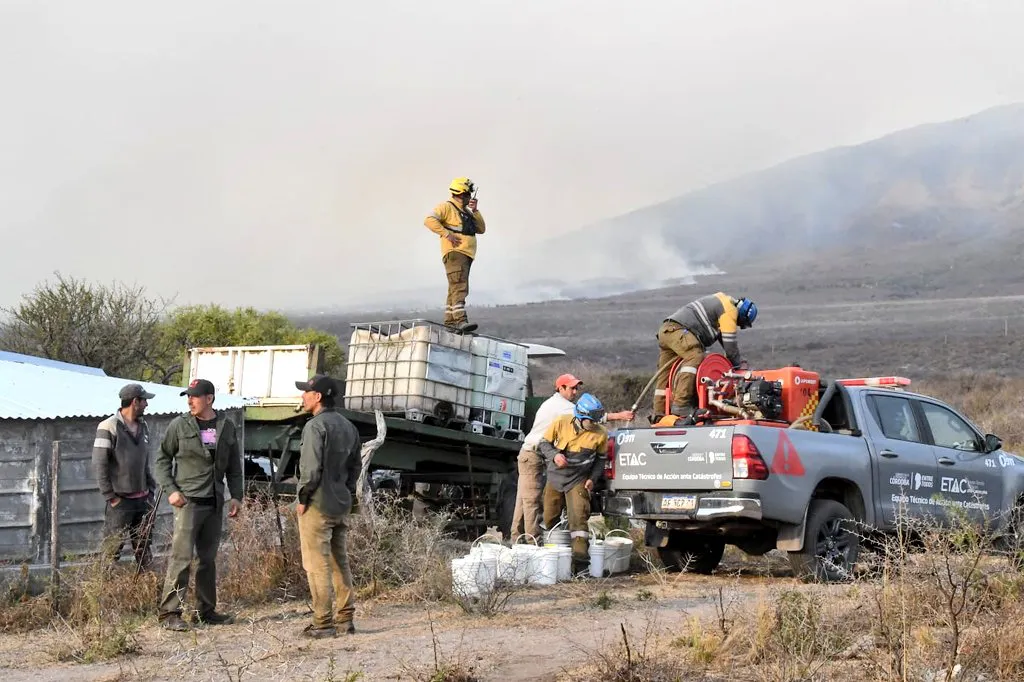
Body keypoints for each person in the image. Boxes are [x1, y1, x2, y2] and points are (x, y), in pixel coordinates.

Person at [154, 378, 243, 631]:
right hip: (188, 501)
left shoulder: (226, 426)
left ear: (210, 399)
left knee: (208, 559)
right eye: (188, 397)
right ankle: (169, 613)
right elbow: (161, 460)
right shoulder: (178, 426)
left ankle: (205, 611)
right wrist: (171, 490)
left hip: (214, 501)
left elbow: (234, 467)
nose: (190, 401)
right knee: (181, 558)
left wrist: (236, 496)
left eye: (194, 396)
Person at [510, 374, 633, 543]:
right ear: (560, 388)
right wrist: (619, 416)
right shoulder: (561, 407)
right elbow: (590, 417)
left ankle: (517, 539)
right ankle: (534, 543)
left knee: (523, 500)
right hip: (534, 455)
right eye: (571, 388)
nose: (575, 391)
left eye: (576, 388)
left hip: (531, 453)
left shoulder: (557, 404)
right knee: (532, 501)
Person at [294, 374, 363, 639]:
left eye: (306, 392)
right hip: (341, 503)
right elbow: (356, 467)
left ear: (318, 397)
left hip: (318, 504)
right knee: (339, 561)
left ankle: (322, 622)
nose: (303, 396)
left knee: (316, 564)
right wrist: (345, 490)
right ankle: (345, 619)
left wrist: (302, 499)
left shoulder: (315, 427)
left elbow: (310, 470)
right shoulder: (349, 426)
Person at [654, 292, 758, 419]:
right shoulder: (730, 310)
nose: (737, 325)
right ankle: (681, 405)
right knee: (695, 356)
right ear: (742, 316)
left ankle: (659, 414)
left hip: (667, 331)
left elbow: (725, 344)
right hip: (679, 330)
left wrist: (734, 362)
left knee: (665, 374)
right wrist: (738, 368)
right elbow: (730, 347)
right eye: (740, 323)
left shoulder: (721, 303)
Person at [91, 383, 159, 571]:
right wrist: (111, 497)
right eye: (144, 400)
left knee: (144, 549)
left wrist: (150, 491)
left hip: (143, 499)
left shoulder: (143, 426)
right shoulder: (109, 426)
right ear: (135, 402)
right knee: (112, 550)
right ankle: (104, 591)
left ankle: (147, 589)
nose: (147, 404)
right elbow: (99, 464)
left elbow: (144, 461)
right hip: (120, 502)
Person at [538, 393, 610, 563]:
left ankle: (580, 561)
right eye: (591, 421)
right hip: (555, 477)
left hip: (578, 479)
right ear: (580, 416)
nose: (594, 424)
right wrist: (555, 455)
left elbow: (600, 460)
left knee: (579, 520)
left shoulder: (601, 434)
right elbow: (543, 443)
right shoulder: (561, 422)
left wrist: (592, 478)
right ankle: (549, 559)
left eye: (597, 421)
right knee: (549, 517)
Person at [424, 176, 486, 333]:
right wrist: (446, 234)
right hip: (456, 253)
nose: (470, 197)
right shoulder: (446, 207)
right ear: (461, 193)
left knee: (454, 288)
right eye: (468, 194)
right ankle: (460, 320)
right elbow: (429, 220)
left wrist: (475, 210)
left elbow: (481, 229)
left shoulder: (466, 211)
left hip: (466, 254)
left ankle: (450, 323)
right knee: (459, 286)